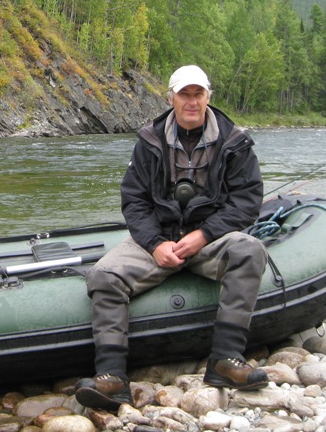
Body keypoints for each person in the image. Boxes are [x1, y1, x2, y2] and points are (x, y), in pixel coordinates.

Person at [75, 64, 270, 412]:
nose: (192, 101)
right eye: (185, 94)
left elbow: (247, 201)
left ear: (209, 97)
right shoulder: (149, 141)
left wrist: (204, 234)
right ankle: (113, 378)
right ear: (171, 98)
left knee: (250, 250)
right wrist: (153, 244)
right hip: (159, 237)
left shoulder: (235, 141)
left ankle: (226, 360)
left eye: (199, 93)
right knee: (103, 276)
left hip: (209, 239)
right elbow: (133, 201)